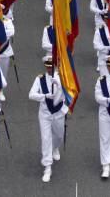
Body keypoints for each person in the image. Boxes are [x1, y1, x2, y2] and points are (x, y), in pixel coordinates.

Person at [28, 55, 69, 183]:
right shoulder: (39, 79)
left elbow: (69, 93)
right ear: (45, 66)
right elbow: (31, 95)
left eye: (52, 65)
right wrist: (45, 96)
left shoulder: (63, 77)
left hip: (58, 113)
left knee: (59, 136)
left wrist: (60, 87)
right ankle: (47, 167)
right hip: (45, 113)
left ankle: (55, 148)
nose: (50, 68)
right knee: (46, 138)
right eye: (48, 65)